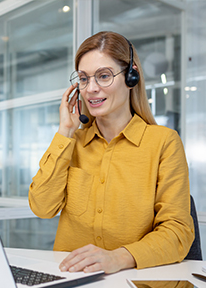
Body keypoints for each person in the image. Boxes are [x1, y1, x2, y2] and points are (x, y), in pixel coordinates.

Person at [28, 31, 194, 274]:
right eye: (83, 79)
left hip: (133, 284)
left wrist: (119, 258)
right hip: (69, 282)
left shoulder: (163, 142)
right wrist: (65, 130)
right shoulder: (71, 142)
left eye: (104, 76)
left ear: (131, 75)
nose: (91, 88)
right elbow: (41, 207)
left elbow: (178, 232)